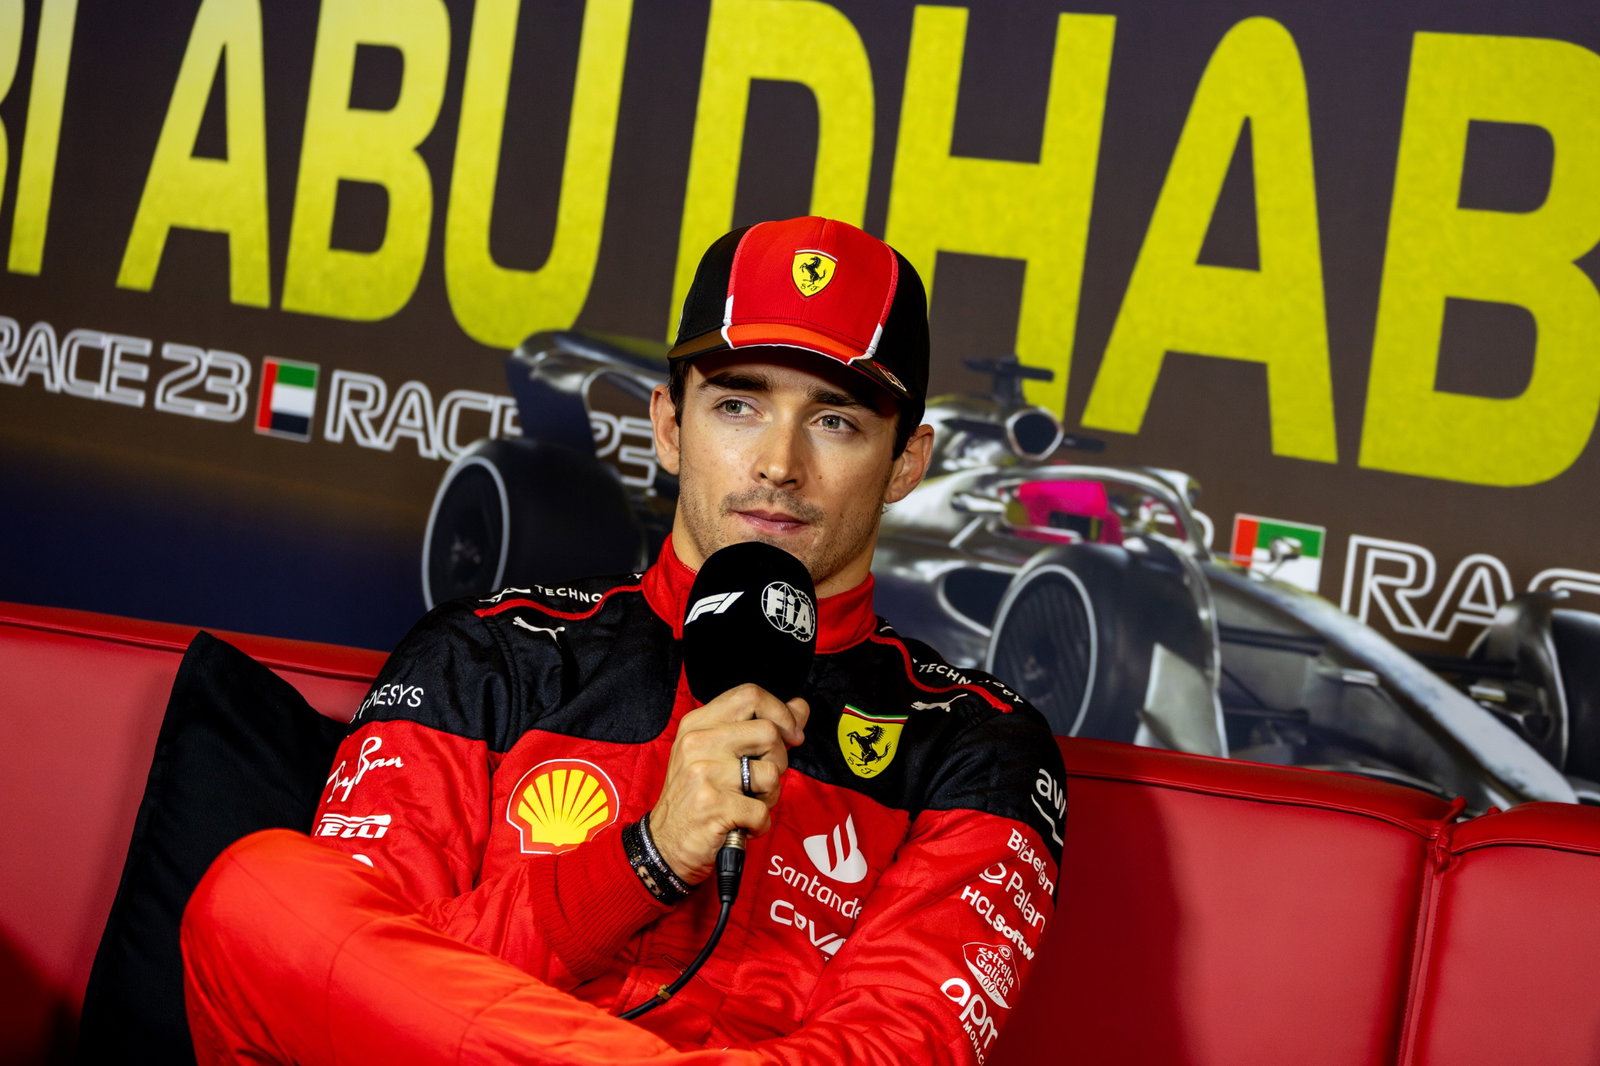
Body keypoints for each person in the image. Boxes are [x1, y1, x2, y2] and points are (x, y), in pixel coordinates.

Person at [181, 216, 1067, 1065]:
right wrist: (647, 857)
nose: (778, 464)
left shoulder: (975, 743)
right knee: (259, 895)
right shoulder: (489, 651)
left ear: (906, 463)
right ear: (671, 427)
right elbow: (344, 981)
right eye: (738, 406)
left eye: (834, 420)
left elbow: (890, 1052)